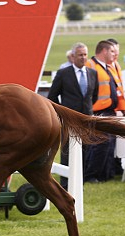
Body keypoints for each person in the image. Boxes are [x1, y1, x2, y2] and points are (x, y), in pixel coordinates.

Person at [47, 42, 98, 189]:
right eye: (80, 55)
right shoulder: (63, 74)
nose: (83, 58)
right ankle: (65, 183)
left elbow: (93, 96)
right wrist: (62, 113)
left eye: (85, 55)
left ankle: (79, 182)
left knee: (85, 150)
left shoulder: (92, 73)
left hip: (86, 119)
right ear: (73, 56)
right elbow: (52, 96)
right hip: (68, 120)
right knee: (67, 151)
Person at [84, 40, 119, 183]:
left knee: (109, 145)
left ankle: (105, 174)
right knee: (100, 144)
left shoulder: (108, 67)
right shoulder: (91, 66)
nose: (114, 54)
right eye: (111, 51)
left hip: (109, 111)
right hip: (98, 112)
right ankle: (91, 175)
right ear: (104, 51)